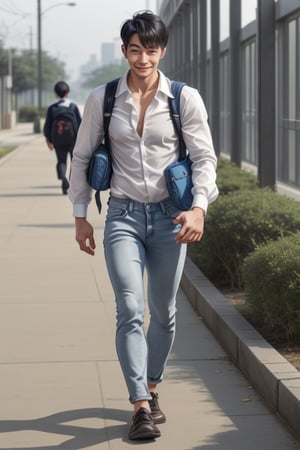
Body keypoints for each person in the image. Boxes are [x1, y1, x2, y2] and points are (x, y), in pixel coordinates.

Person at [69, 10, 218, 441]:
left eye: (150, 50)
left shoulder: (184, 99)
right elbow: (80, 157)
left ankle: (152, 388)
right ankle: (139, 405)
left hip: (172, 218)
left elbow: (204, 158)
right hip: (123, 215)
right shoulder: (104, 98)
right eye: (135, 49)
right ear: (124, 51)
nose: (143, 58)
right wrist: (81, 217)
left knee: (165, 313)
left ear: (162, 51)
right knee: (131, 309)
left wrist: (199, 208)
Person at [43, 81, 81, 194]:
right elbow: (80, 123)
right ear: (68, 93)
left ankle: (63, 178)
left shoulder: (52, 108)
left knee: (61, 161)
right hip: (73, 139)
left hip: (58, 139)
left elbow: (48, 125)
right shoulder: (73, 107)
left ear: (55, 93)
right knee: (74, 161)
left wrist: (48, 139)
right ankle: (70, 182)